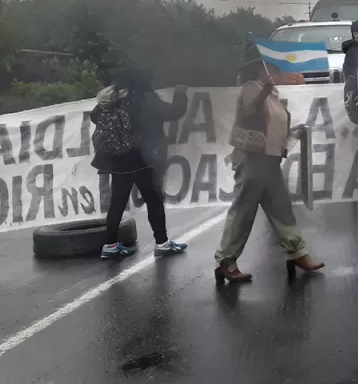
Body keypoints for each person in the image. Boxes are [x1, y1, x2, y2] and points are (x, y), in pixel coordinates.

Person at [214, 62, 324, 283]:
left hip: (268, 160)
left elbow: (273, 127)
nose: (274, 74)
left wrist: (293, 132)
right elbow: (248, 112)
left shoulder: (271, 93)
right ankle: (226, 260)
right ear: (259, 71)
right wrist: (263, 91)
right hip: (253, 159)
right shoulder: (252, 88)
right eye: (271, 70)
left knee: (281, 208)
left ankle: (297, 253)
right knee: (244, 210)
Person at [90, 70, 189, 260]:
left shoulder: (111, 99)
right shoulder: (146, 99)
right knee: (153, 200)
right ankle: (162, 243)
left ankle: (110, 245)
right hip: (142, 159)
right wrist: (180, 93)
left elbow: (95, 117)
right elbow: (173, 112)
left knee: (117, 202)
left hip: (117, 159)